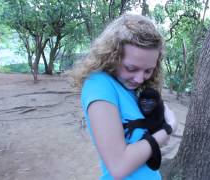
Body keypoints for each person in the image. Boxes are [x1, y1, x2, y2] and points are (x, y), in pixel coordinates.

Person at [72, 14, 177, 180]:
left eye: (148, 70)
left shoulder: (132, 88)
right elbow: (119, 166)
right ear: (112, 56)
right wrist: (168, 129)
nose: (140, 79)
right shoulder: (98, 85)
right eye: (131, 68)